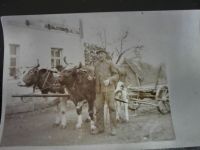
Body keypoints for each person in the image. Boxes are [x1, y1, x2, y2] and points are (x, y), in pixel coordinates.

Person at [92, 49, 119, 136]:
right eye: (98, 54)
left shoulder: (110, 63)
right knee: (98, 108)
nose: (100, 55)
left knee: (111, 108)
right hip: (99, 91)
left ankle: (113, 128)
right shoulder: (95, 65)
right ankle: (100, 128)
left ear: (105, 55)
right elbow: (95, 76)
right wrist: (91, 78)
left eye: (102, 54)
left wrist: (110, 80)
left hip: (109, 89)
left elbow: (116, 75)